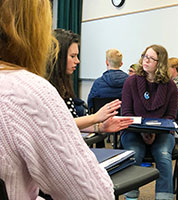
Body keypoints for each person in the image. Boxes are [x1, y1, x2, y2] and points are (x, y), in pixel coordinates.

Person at [0, 0, 114, 199]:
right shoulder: (30, 91)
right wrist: (95, 120)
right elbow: (94, 195)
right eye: (72, 56)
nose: (77, 61)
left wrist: (97, 127)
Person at [47, 29, 132, 135]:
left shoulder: (96, 83)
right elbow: (62, 125)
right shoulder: (46, 88)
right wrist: (96, 118)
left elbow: (87, 105)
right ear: (58, 56)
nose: (77, 61)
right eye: (73, 56)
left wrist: (100, 127)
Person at [120, 45, 178, 200]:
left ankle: (164, 196)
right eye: (145, 56)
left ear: (160, 63)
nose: (146, 60)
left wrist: (153, 132)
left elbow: (170, 116)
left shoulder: (170, 86)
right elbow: (126, 113)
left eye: (151, 58)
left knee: (163, 155)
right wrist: (143, 132)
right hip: (133, 131)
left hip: (161, 132)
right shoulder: (130, 82)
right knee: (134, 154)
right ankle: (130, 195)